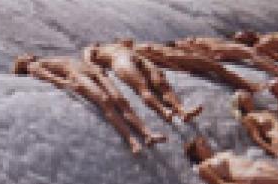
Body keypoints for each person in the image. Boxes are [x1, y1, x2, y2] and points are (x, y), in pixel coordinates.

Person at [11, 54, 165, 154]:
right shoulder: (34, 66)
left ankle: (147, 134)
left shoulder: (41, 60)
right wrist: (66, 83)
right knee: (105, 101)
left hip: (89, 69)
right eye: (22, 57)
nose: (26, 55)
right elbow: (47, 76)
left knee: (119, 99)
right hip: (76, 74)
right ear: (21, 65)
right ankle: (132, 140)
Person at [82, 41, 203, 122]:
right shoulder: (93, 48)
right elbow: (87, 58)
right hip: (119, 60)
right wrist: (93, 66)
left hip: (134, 56)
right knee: (142, 86)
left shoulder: (118, 45)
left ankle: (182, 110)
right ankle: (163, 110)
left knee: (160, 80)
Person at [130, 41, 261, 93]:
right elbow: (160, 60)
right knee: (216, 68)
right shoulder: (138, 50)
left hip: (181, 56)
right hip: (179, 59)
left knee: (216, 68)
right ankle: (247, 85)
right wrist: (178, 69)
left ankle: (246, 84)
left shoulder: (141, 45)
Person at [169, 36, 278, 78]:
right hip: (222, 48)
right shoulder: (189, 43)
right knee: (252, 54)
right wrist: (214, 55)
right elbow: (204, 51)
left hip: (221, 48)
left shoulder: (190, 42)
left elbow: (204, 49)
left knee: (252, 54)